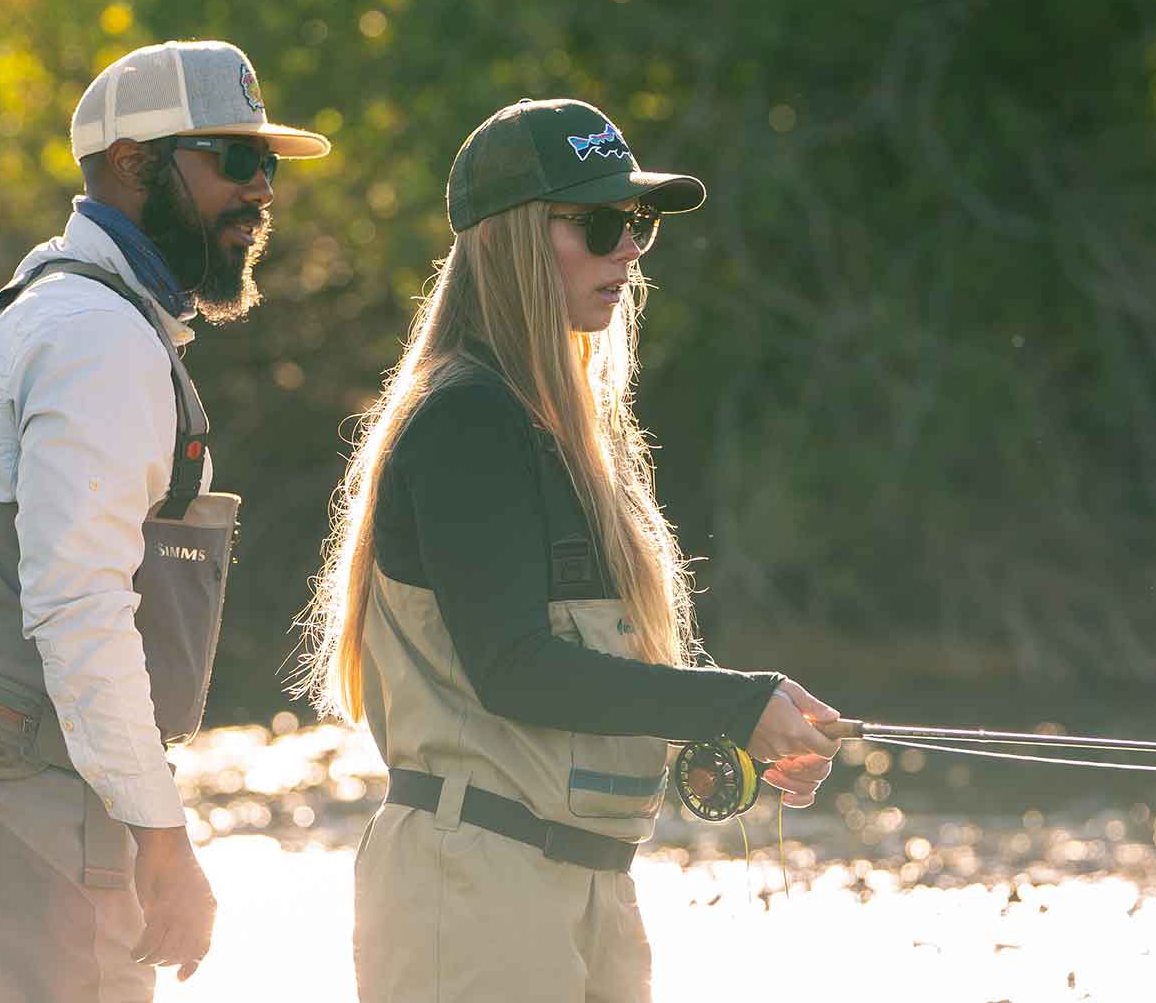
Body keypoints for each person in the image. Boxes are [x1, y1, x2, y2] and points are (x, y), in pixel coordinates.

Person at [296, 98, 843, 1002]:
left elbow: (587, 673)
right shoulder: (465, 420)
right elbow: (516, 671)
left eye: (637, 226)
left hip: (589, 883)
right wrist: (732, 704)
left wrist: (740, 723)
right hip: (475, 894)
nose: (628, 248)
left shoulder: (561, 430)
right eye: (598, 223)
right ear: (511, 238)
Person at [0, 40, 330, 1001]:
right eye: (236, 162)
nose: (261, 193)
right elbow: (79, 609)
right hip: (23, 810)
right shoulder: (96, 338)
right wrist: (164, 841)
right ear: (134, 163)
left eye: (270, 166)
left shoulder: (48, 302)